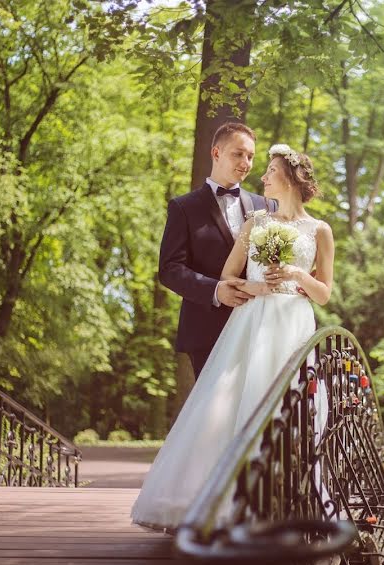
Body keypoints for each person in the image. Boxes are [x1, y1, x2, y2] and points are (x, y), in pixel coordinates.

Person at [131, 143, 335, 530]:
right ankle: (231, 504)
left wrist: (296, 275)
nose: (263, 176)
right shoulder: (256, 223)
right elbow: (228, 277)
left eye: (271, 170)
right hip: (251, 321)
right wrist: (255, 288)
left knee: (291, 409)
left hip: (294, 322)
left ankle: (288, 502)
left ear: (290, 179)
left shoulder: (320, 230)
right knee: (231, 403)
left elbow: (324, 292)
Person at [158, 122, 275, 379]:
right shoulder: (183, 207)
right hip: (207, 330)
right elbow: (169, 270)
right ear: (216, 153)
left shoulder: (267, 206)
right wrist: (215, 290)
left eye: (251, 156)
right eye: (238, 153)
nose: (246, 162)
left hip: (260, 329)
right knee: (217, 416)